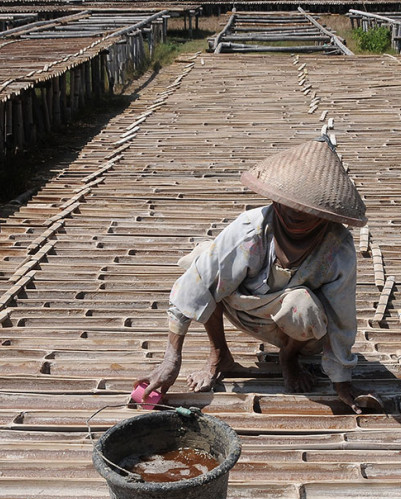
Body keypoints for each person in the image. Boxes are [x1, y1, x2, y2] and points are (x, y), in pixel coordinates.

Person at [137, 136, 373, 414]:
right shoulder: (250, 229)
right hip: (241, 306)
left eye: (306, 210)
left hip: (301, 327)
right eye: (288, 204)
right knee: (203, 260)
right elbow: (193, 286)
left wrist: (342, 381)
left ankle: (288, 358)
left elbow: (341, 317)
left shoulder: (338, 249)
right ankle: (219, 355)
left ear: (325, 215)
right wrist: (171, 359)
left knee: (302, 302)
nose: (295, 213)